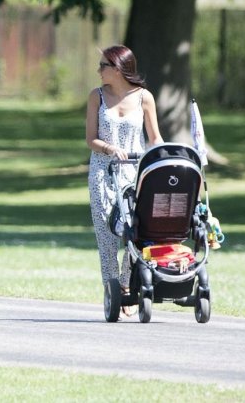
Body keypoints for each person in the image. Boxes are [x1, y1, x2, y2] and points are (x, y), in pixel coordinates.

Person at [85, 44, 163, 318]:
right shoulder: (97, 97)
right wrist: (108, 148)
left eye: (102, 65)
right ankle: (112, 290)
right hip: (102, 174)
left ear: (117, 69)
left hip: (134, 173)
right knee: (106, 237)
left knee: (136, 232)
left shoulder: (144, 97)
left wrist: (163, 157)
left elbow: (155, 138)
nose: (98, 70)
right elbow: (90, 139)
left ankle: (127, 286)